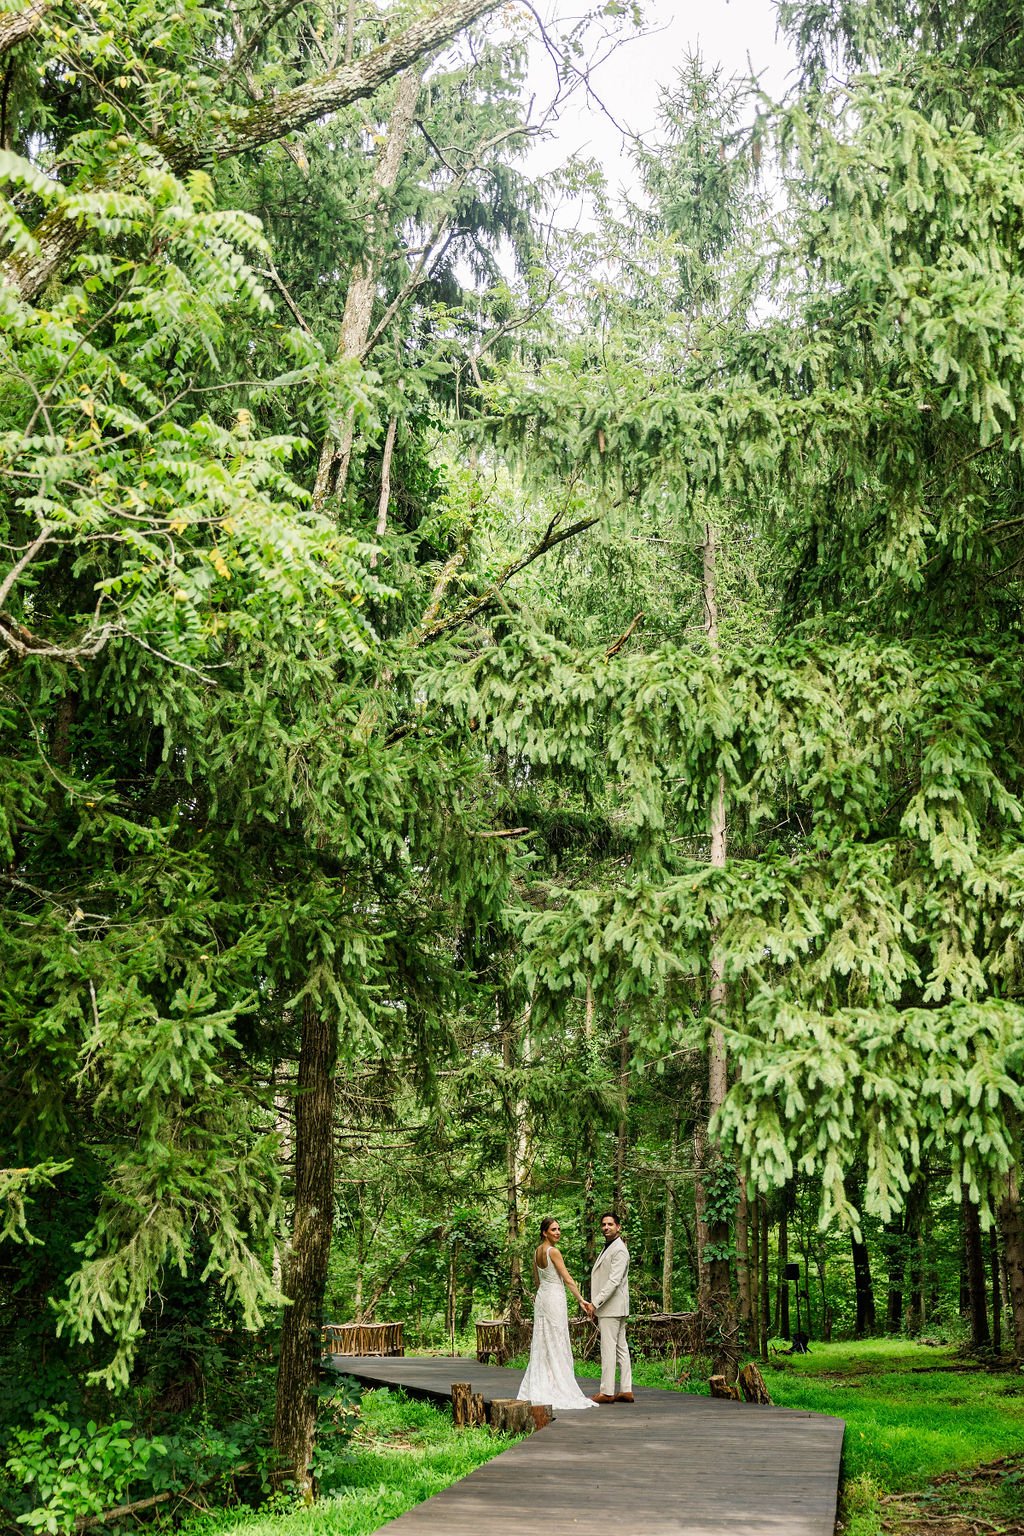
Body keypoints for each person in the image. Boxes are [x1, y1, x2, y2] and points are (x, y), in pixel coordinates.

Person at [516, 1217, 596, 1411]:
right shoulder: (554, 1252)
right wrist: (581, 1299)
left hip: (542, 1297)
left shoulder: (536, 1252)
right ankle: (558, 1385)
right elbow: (567, 1279)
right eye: (553, 1229)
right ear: (545, 1232)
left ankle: (544, 1383)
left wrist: (543, 1294)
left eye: (559, 1229)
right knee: (557, 1339)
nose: (558, 1232)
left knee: (544, 1340)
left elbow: (537, 1280)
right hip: (554, 1297)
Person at [589, 1211, 633, 1403]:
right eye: (604, 1224)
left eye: (610, 1224)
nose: (606, 1227)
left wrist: (595, 1302)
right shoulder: (610, 1247)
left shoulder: (620, 1250)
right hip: (614, 1307)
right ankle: (625, 1389)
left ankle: (607, 1391)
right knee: (621, 1347)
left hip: (611, 1307)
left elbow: (614, 1281)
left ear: (618, 1227)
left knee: (609, 1348)